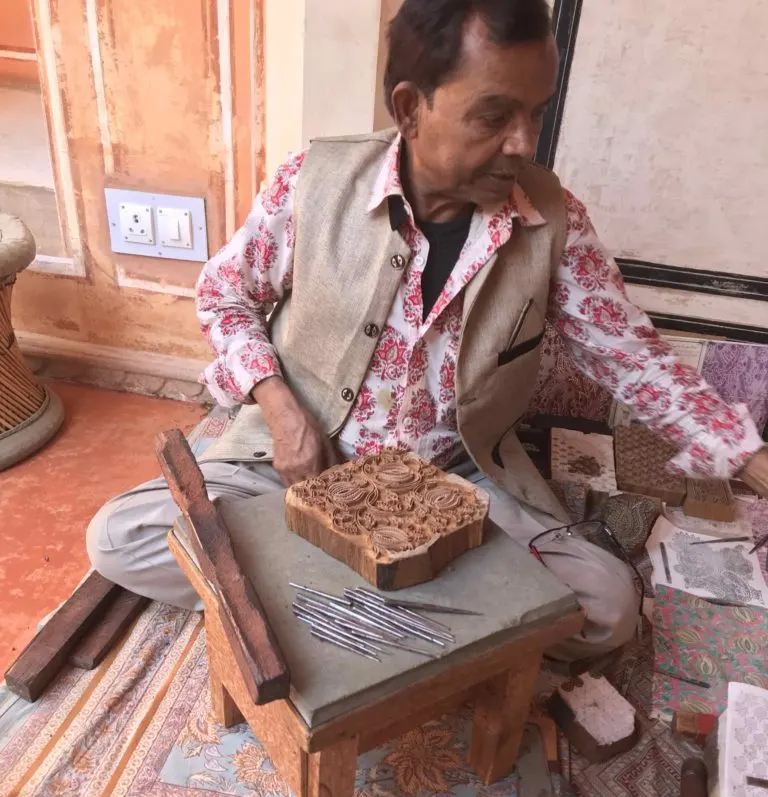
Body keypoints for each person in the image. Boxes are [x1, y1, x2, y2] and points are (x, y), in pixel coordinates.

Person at [87, 0, 768, 663]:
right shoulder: (314, 182)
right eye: (494, 115)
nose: (523, 144)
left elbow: (632, 358)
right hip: (297, 469)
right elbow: (225, 293)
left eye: (535, 114)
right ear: (411, 107)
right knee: (122, 537)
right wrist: (282, 409)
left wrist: (747, 456)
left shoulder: (553, 221)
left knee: (608, 611)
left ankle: (343, 615)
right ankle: (425, 627)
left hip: (457, 491)